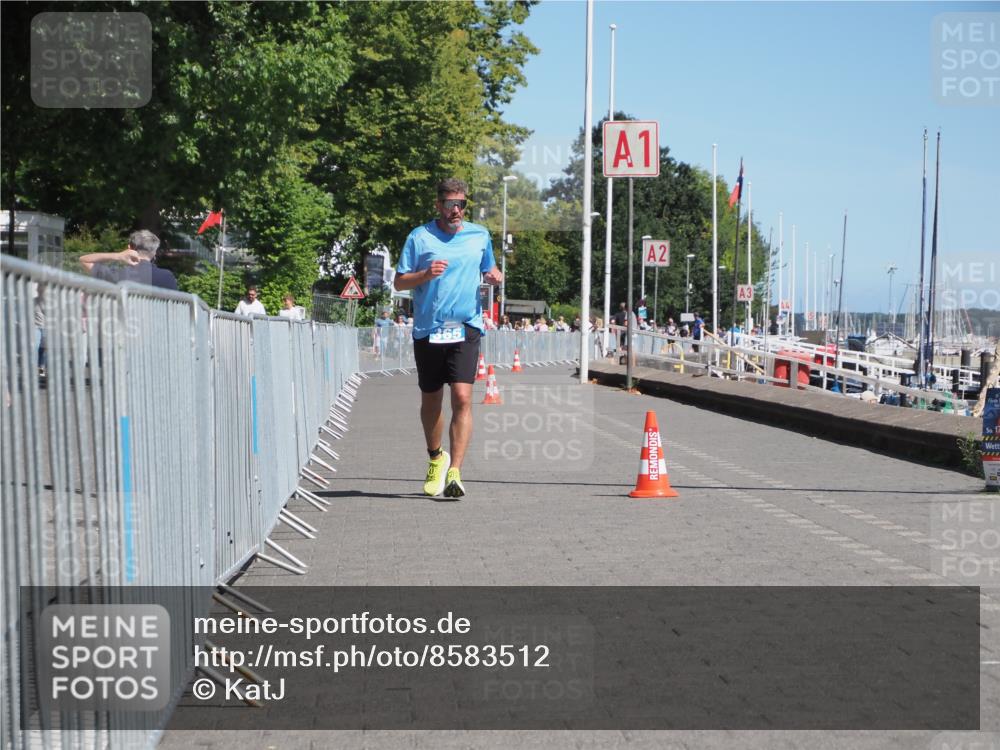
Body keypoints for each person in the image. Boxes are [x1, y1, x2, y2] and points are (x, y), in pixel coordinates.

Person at [393, 178, 502, 499]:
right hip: (429, 328)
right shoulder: (419, 237)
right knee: (431, 400)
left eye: (461, 204)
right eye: (450, 204)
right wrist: (425, 275)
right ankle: (435, 457)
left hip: (466, 325)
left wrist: (495, 276)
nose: (456, 210)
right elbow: (399, 282)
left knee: (463, 397)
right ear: (438, 204)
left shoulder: (479, 235)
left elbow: (491, 270)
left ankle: (455, 471)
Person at [80, 229, 178, 291]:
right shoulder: (167, 276)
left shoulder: (117, 274)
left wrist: (118, 256)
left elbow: (84, 260)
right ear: (154, 252)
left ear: (129, 248)